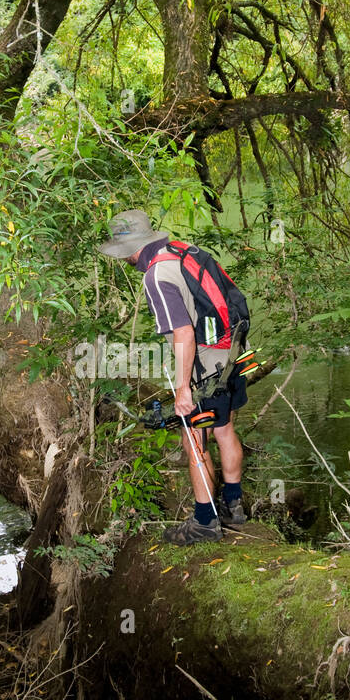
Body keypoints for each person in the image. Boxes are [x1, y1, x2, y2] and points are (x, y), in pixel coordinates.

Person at [97, 209, 249, 545]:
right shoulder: (184, 251)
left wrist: (183, 389)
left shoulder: (156, 276)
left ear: (130, 250)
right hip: (235, 354)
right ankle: (234, 507)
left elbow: (183, 334)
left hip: (206, 369)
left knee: (193, 440)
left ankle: (205, 523)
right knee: (224, 430)